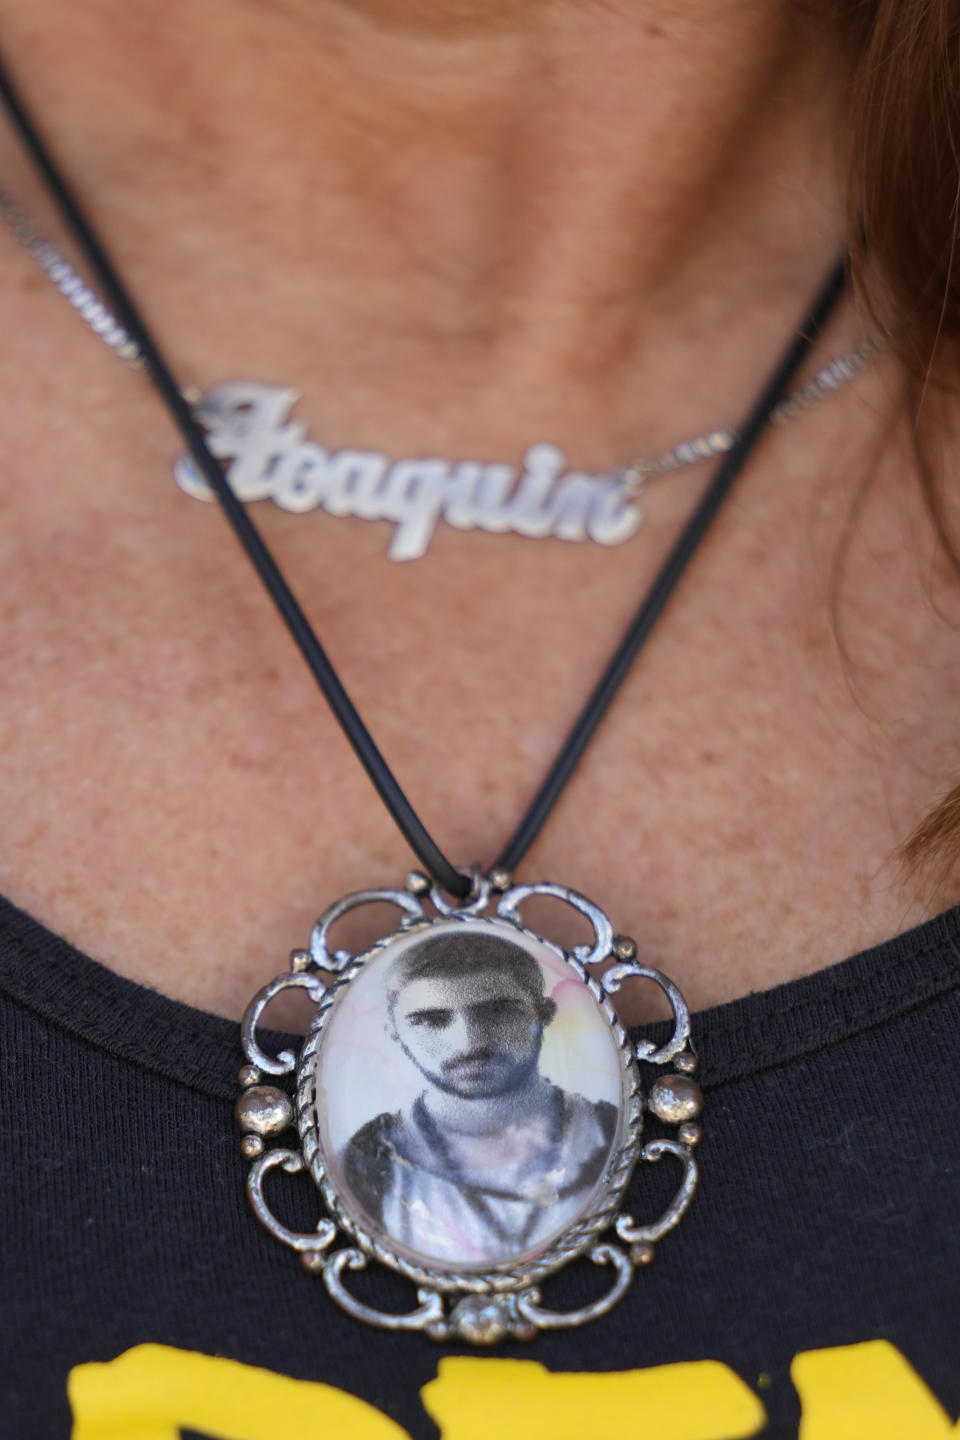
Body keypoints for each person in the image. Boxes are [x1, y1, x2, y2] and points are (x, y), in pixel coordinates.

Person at [0, 1, 958, 1436]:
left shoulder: (572, 1126)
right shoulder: (380, 1156)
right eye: (435, 1007)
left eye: (477, 1005)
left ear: (538, 1006)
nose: (455, 1034)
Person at [340, 932, 617, 1266]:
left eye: (498, 1012)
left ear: (544, 1013)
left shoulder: (610, 1131)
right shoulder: (367, 1163)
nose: (470, 1042)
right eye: (431, 1020)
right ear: (394, 1029)